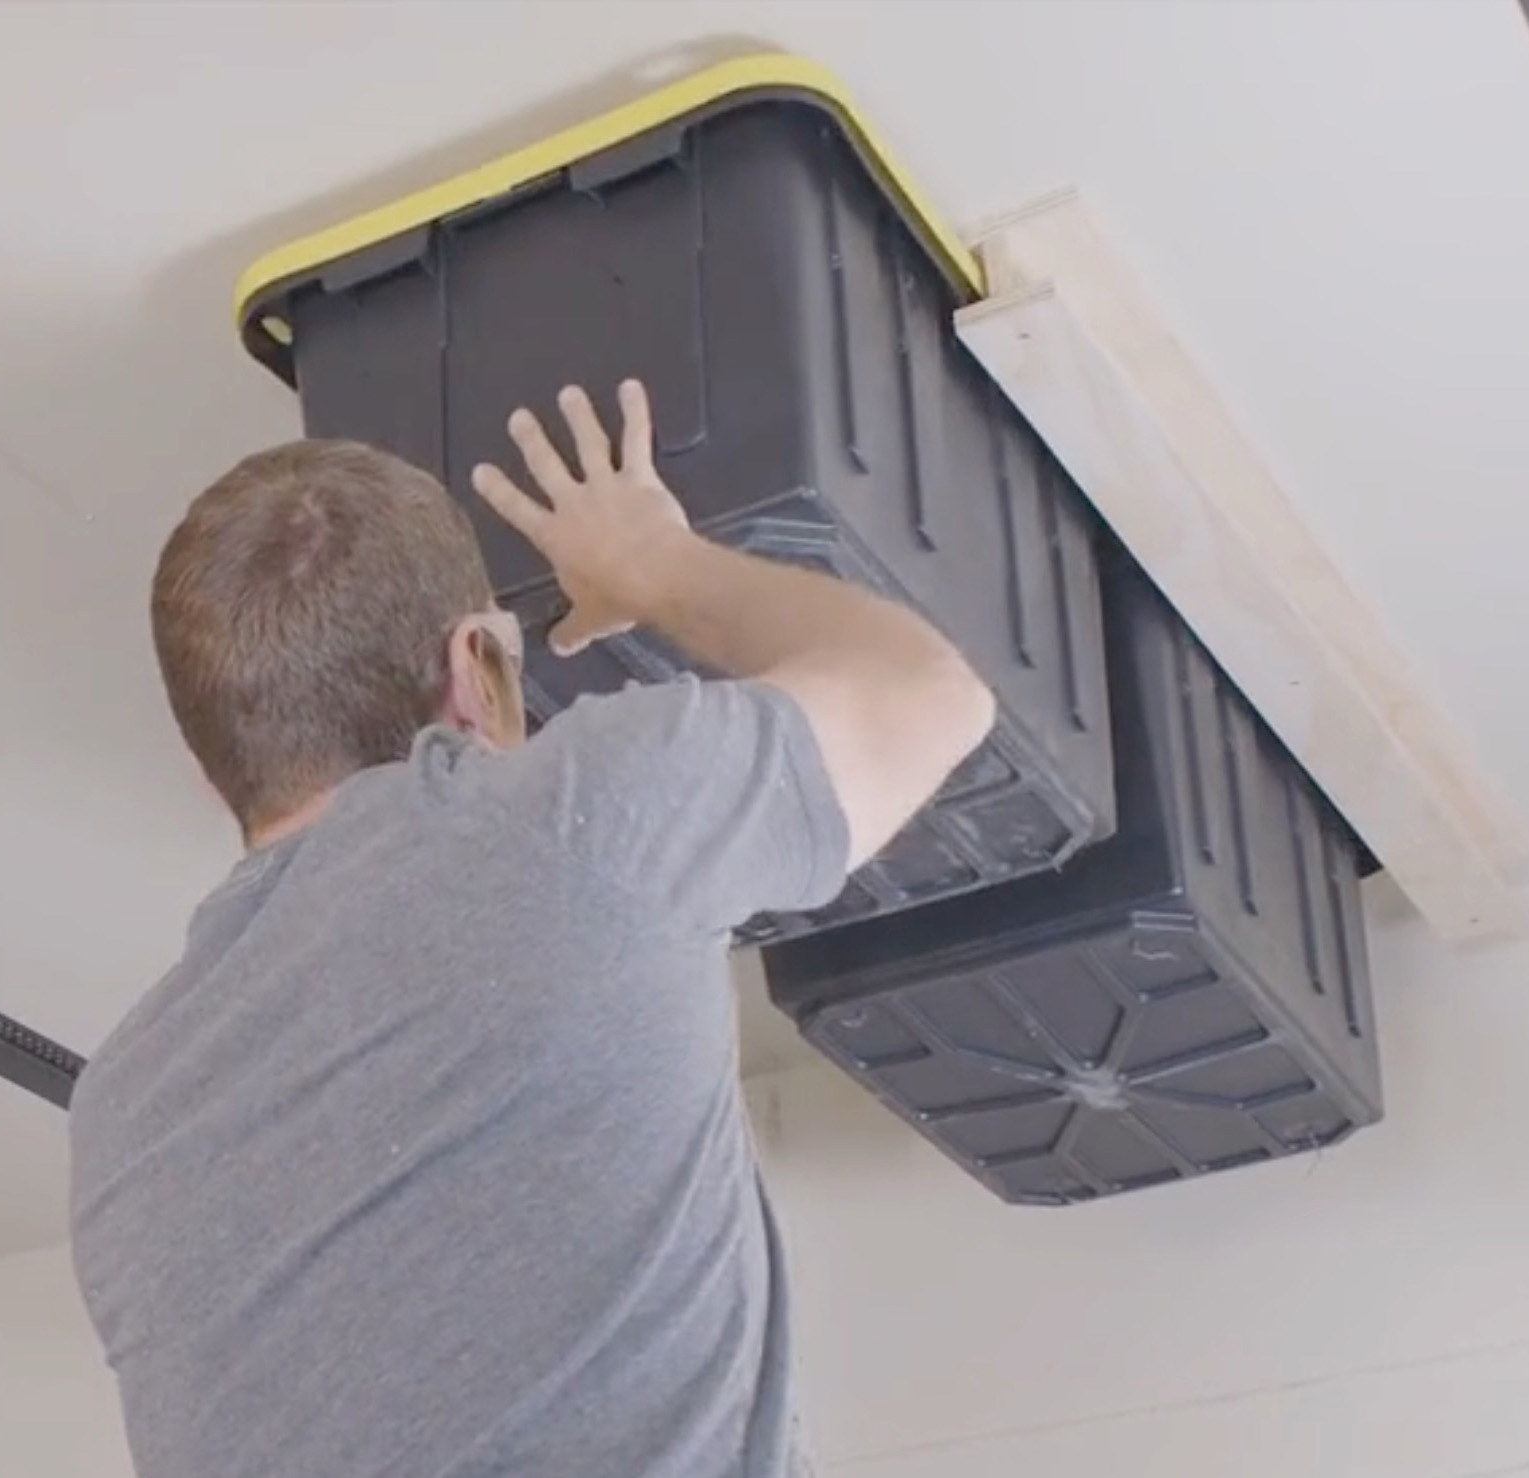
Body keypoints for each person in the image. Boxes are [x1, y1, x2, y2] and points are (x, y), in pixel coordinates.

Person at [67, 380, 995, 1478]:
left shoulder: (115, 1112)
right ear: (477, 668)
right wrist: (651, 562)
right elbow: (927, 696)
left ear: (209, 767)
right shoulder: (569, 823)